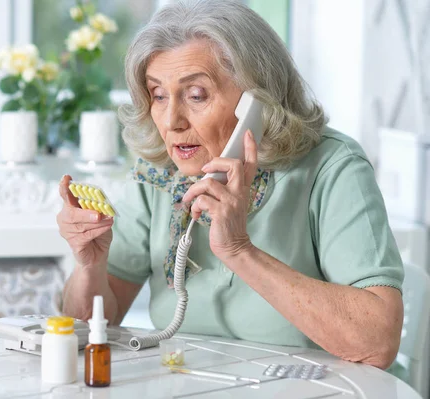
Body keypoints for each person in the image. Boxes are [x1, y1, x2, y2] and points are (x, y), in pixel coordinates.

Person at [57, 0, 404, 370]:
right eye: (158, 95)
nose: (171, 120)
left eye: (196, 95)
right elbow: (88, 333)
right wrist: (89, 267)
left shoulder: (332, 167)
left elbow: (376, 342)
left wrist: (240, 250)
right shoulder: (159, 173)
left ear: (256, 100)